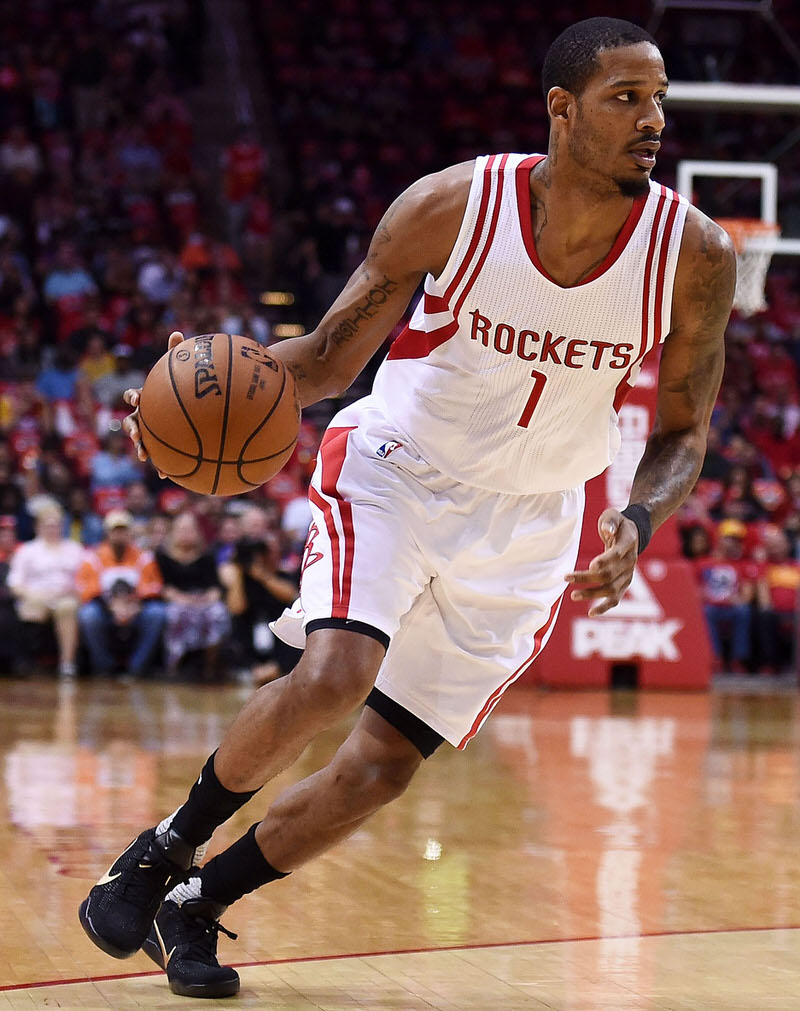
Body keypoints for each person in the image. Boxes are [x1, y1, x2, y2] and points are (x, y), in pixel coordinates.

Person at [79, 18, 735, 1000]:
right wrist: (187, 384)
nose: (651, 120)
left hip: (532, 522)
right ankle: (160, 851)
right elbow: (331, 357)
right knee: (337, 669)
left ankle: (197, 905)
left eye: (656, 99)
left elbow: (684, 427)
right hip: (395, 465)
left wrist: (636, 523)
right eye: (624, 98)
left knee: (382, 770)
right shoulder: (453, 207)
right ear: (560, 110)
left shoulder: (690, 254)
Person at [76, 509, 166, 677]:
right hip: (105, 609)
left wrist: (135, 605)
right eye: (115, 530)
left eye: (123, 530)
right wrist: (111, 607)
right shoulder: (93, 557)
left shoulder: (143, 557)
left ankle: (136, 667)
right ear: (107, 533)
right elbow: (87, 589)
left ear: (130, 532)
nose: (119, 535)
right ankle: (104, 666)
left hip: (136, 609)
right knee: (88, 615)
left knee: (157, 613)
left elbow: (154, 587)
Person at [7, 503, 83, 678]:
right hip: (35, 596)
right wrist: (34, 596)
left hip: (67, 597)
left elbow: (83, 581)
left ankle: (67, 664)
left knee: (67, 607)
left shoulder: (74, 549)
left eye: (56, 525)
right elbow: (15, 584)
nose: (52, 529)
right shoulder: (27, 551)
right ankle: (26, 664)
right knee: (30, 610)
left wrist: (72, 593)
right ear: (38, 527)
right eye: (48, 525)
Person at [155, 511, 230, 678]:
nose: (186, 534)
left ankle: (210, 664)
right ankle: (174, 666)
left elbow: (215, 587)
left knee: (217, 613)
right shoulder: (162, 556)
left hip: (203, 600)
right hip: (177, 600)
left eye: (190, 530)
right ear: (173, 532)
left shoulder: (207, 555)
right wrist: (184, 599)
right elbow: (163, 588)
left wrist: (208, 598)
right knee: (175, 614)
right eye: (182, 530)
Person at [219, 536, 299, 686]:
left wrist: (263, 575)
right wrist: (238, 571)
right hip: (249, 642)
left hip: (279, 646)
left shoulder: (282, 576)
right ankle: (250, 669)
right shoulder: (241, 580)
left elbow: (290, 595)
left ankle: (277, 668)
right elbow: (236, 608)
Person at [695, 519, 759, 672]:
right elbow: (694, 589)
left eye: (737, 540)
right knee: (706, 612)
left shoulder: (741, 565)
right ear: (719, 539)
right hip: (709, 605)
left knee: (743, 611)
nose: (734, 544)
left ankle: (739, 658)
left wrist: (739, 599)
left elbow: (747, 593)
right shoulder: (703, 563)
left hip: (731, 606)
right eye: (730, 538)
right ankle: (714, 657)